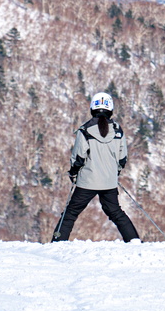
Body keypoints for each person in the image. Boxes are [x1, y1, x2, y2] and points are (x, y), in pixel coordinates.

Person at [52, 92, 140, 243]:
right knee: (116, 213)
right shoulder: (118, 131)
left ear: (92, 108)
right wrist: (114, 172)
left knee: (71, 213)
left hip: (87, 181)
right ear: (110, 109)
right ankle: (134, 241)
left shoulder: (85, 130)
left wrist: (73, 173)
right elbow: (122, 158)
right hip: (109, 182)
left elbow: (78, 157)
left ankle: (57, 242)